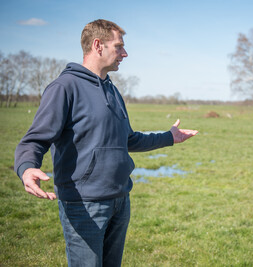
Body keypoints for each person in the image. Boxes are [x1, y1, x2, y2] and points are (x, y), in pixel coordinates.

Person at [14, 19, 198, 267]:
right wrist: (27, 167)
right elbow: (35, 139)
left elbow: (128, 139)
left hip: (120, 201)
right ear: (98, 46)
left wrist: (169, 137)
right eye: (119, 46)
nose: (125, 53)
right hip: (84, 204)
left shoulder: (113, 91)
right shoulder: (64, 87)